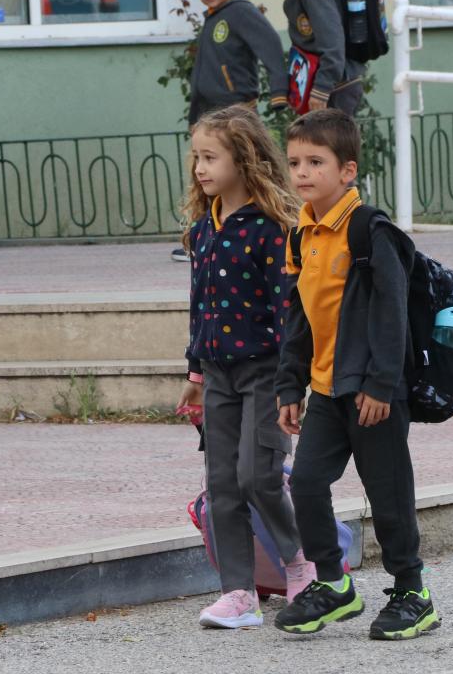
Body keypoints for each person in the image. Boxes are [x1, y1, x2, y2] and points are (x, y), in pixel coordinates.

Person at [273, 109, 439, 641]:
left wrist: (382, 383)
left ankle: (413, 592)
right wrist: (289, 384)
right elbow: (299, 317)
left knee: (387, 493)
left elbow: (391, 313)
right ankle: (333, 582)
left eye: (315, 162)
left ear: (347, 170)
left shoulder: (369, 231)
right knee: (305, 483)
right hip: (325, 389)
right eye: (295, 162)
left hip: (372, 391)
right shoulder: (300, 234)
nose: (302, 172)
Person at [177, 104, 314, 629]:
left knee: (259, 476)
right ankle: (238, 594)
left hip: (266, 372)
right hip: (217, 374)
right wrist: (195, 375)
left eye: (210, 157)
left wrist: (291, 384)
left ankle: (300, 566)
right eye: (196, 158)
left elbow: (287, 309)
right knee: (222, 485)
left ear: (244, 158)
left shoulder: (270, 229)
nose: (200, 168)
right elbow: (200, 306)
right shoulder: (204, 229)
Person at [171, 0, 290, 264]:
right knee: (206, 177)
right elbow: (202, 78)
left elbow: (271, 45)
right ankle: (202, 237)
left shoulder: (239, 12)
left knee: (249, 176)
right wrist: (195, 119)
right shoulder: (214, 17)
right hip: (210, 118)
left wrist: (279, 92)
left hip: (236, 116)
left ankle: (267, 232)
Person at [258, 0, 365, 116]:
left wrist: (321, 88)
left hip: (336, 88)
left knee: (331, 134)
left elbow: (333, 44)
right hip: (325, 86)